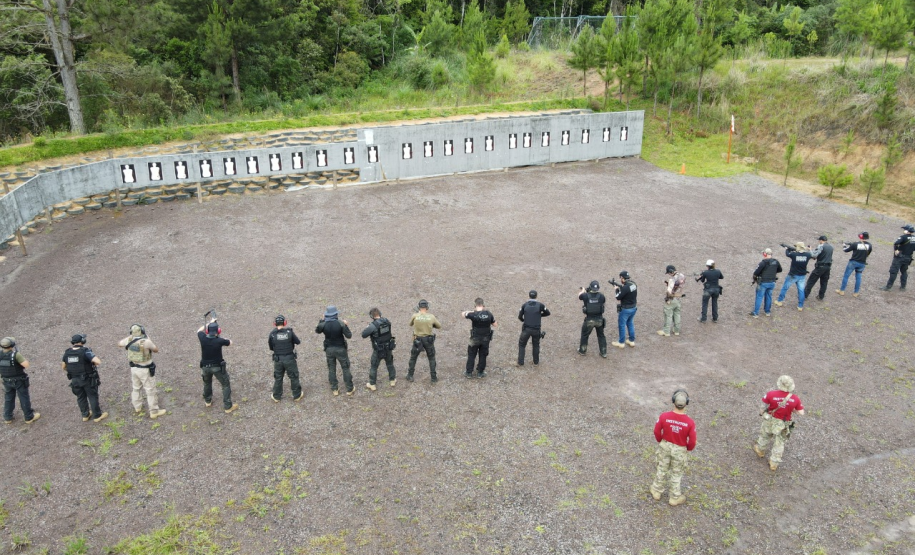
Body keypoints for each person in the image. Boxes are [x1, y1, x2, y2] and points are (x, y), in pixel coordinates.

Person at [649, 389, 696, 506]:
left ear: (673, 401)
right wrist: (687, 449)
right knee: (676, 473)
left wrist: (661, 441)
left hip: (665, 446)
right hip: (679, 449)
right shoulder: (690, 422)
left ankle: (656, 491)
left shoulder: (664, 416)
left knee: (662, 468)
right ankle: (674, 497)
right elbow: (693, 441)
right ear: (687, 403)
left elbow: (656, 431)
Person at [754, 375, 805, 471]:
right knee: (779, 443)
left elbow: (762, 406)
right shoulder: (795, 398)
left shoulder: (770, 394)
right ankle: (774, 463)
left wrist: (762, 413)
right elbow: (801, 413)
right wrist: (792, 409)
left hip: (770, 420)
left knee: (765, 435)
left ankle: (760, 450)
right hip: (784, 424)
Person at [118, 324, 166, 419]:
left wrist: (130, 337)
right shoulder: (146, 342)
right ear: (142, 331)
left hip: (134, 368)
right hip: (145, 369)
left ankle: (137, 407)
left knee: (136, 388)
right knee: (150, 390)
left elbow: (119, 343)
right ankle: (154, 411)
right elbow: (156, 349)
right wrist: (149, 339)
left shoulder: (129, 340)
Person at [62, 334, 107, 422]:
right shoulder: (85, 351)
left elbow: (63, 366)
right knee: (92, 396)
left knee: (80, 397)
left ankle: (85, 415)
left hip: (74, 380)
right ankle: (97, 415)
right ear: (82, 341)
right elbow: (97, 361)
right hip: (87, 379)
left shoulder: (67, 353)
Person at [197, 321, 238, 413]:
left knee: (207, 383)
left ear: (207, 331)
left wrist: (208, 323)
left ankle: (207, 401)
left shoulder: (203, 338)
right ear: (218, 331)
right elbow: (230, 342)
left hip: (205, 367)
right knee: (225, 384)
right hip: (217, 367)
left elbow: (199, 330)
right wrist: (223, 338)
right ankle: (228, 406)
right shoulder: (219, 341)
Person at [315, 306, 354, 396]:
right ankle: (349, 388)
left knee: (331, 369)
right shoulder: (340, 323)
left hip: (329, 349)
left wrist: (322, 320)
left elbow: (317, 330)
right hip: (340, 348)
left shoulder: (323, 324)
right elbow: (349, 335)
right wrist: (346, 325)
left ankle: (334, 389)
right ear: (335, 314)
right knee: (345, 368)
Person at [1, 337, 39, 424]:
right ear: (12, 345)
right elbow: (26, 365)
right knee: (23, 397)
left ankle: (8, 417)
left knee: (8, 398)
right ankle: (29, 416)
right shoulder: (15, 354)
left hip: (6, 380)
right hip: (18, 380)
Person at [268, 315, 302, 402]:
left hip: (278, 359)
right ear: (285, 323)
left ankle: (276, 396)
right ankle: (297, 395)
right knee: (294, 377)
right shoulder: (289, 332)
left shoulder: (272, 334)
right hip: (290, 359)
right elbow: (298, 342)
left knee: (278, 377)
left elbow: (271, 347)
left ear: (275, 324)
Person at [361, 308, 396, 391]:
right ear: (380, 314)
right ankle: (392, 380)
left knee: (374, 366)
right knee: (390, 364)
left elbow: (363, 335)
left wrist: (368, 327)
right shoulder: (387, 321)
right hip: (388, 347)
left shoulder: (373, 326)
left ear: (372, 316)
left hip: (378, 349)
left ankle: (372, 384)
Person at [407, 300, 442, 383]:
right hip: (428, 340)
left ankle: (410, 375)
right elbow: (439, 326)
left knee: (413, 358)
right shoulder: (431, 317)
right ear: (427, 307)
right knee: (431, 358)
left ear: (419, 307)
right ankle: (433, 378)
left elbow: (410, 324)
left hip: (417, 340)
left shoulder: (415, 316)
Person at [462, 298, 496, 378]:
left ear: (475, 305)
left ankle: (469, 372)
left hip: (475, 338)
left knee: (471, 355)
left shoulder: (473, 314)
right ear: (483, 305)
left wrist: (472, 311)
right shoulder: (489, 314)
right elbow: (495, 324)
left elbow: (463, 314)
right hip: (485, 339)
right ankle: (480, 372)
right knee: (483, 355)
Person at [774, 242, 811, 311]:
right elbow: (811, 254)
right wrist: (808, 249)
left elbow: (787, 254)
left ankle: (779, 301)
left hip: (793, 275)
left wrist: (787, 249)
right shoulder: (808, 255)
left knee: (785, 288)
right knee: (801, 291)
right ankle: (800, 306)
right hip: (802, 275)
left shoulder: (794, 254)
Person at [518, 290, 550, 366]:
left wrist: (524, 320)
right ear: (536, 296)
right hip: (536, 330)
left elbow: (519, 316)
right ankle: (536, 362)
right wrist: (539, 315)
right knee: (536, 345)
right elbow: (548, 313)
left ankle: (521, 362)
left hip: (526, 329)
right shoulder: (540, 305)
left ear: (529, 296)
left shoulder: (524, 305)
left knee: (522, 345)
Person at [837, 232, 873, 297]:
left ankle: (842, 290)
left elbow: (845, 250)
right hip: (862, 263)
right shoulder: (870, 245)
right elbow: (868, 253)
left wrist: (844, 245)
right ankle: (856, 292)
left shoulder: (855, 244)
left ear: (861, 237)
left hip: (853, 262)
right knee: (858, 278)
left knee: (846, 276)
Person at [578, 280, 607, 357]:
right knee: (601, 336)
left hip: (589, 319)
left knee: (585, 335)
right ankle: (603, 352)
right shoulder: (601, 296)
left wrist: (583, 290)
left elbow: (579, 296)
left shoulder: (585, 296)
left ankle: (582, 350)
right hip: (599, 319)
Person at [881, 225, 915, 291]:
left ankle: (888, 286)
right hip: (908, 257)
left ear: (907, 230)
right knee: (904, 271)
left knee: (893, 271)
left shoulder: (903, 237)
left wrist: (896, 250)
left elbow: (896, 243)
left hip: (900, 257)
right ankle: (903, 287)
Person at [750, 248, 782, 318]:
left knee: (759, 297)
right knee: (769, 297)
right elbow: (780, 270)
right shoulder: (776, 262)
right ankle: (767, 312)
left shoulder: (763, 263)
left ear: (765, 254)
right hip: (772, 282)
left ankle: (756, 313)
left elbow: (756, 273)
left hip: (763, 283)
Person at [611, 271, 638, 349]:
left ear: (622, 278)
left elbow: (618, 297)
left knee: (622, 325)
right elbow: (627, 290)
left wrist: (616, 289)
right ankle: (631, 340)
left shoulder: (625, 287)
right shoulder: (633, 284)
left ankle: (621, 342)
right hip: (633, 307)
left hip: (625, 309)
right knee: (630, 323)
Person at [657, 265, 685, 337]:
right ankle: (676, 330)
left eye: (669, 273)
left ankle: (666, 331)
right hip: (679, 298)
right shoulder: (682, 275)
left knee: (668, 315)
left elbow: (669, 292)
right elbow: (678, 286)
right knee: (677, 314)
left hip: (672, 299)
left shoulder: (672, 280)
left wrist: (667, 299)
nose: (669, 274)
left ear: (671, 271)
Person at [804, 236, 833, 301]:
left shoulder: (821, 246)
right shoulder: (831, 247)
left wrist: (810, 250)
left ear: (821, 240)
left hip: (820, 267)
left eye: (819, 240)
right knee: (824, 282)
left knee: (811, 281)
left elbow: (814, 255)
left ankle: (805, 295)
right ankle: (821, 296)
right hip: (828, 267)